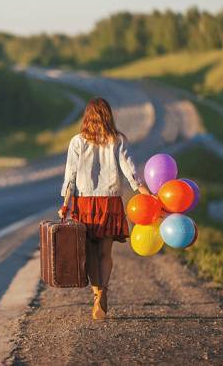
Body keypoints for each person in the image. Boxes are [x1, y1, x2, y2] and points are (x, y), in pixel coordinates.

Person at [58, 97, 150, 320]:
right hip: (109, 201)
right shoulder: (117, 140)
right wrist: (144, 192)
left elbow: (70, 176)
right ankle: (103, 291)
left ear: (87, 117)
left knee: (89, 255)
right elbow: (129, 170)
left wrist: (65, 204)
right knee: (105, 254)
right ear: (108, 116)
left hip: (85, 202)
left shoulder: (77, 142)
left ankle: (97, 295)